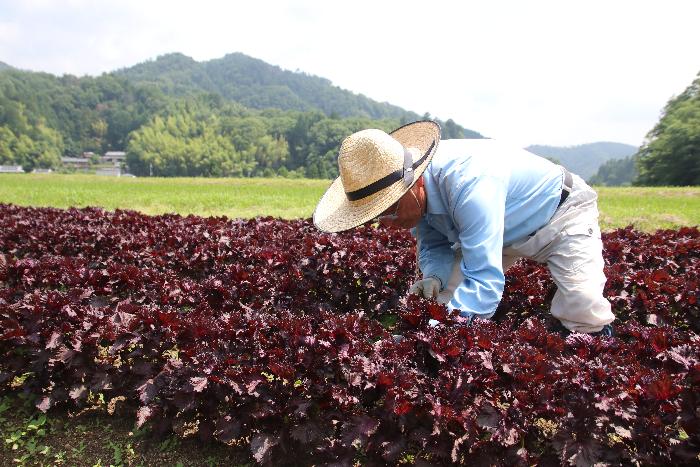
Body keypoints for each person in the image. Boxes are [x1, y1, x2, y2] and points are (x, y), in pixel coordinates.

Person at [313, 121, 614, 336]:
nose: (386, 225)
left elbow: (485, 283)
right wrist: (434, 277)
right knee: (445, 299)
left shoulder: (469, 183)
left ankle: (597, 353)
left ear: (415, 182)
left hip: (561, 216)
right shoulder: (418, 196)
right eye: (376, 216)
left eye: (388, 209)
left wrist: (437, 336)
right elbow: (434, 242)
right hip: (500, 230)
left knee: (582, 306)